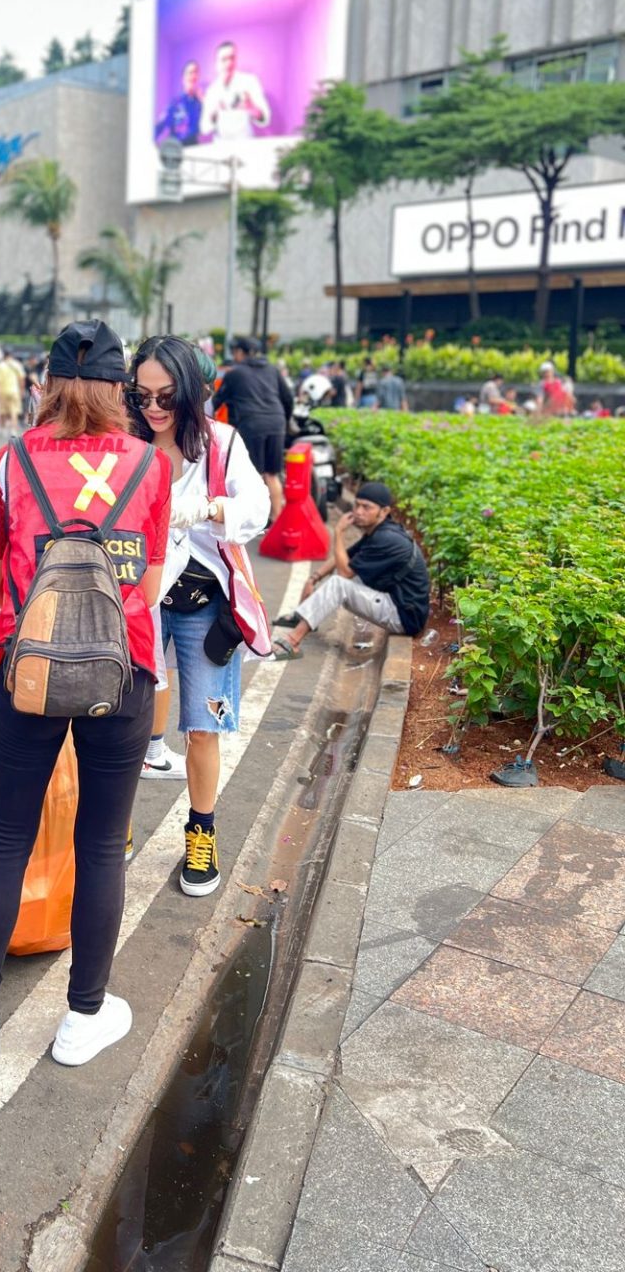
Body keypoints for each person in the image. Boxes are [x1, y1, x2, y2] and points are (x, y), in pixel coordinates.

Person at [0, 319, 172, 1069]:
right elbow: (150, 588)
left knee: (7, 836)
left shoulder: (10, 462)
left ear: (46, 383)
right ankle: (84, 1017)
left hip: (27, 668)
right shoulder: (151, 465)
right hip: (123, 669)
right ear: (119, 389)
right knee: (101, 845)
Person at [128, 336, 270, 895]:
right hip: (136, 598)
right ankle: (115, 827)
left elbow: (257, 507)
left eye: (166, 396)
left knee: (203, 727)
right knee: (124, 720)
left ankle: (202, 832)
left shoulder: (221, 444)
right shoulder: (125, 443)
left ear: (191, 391)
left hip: (203, 603)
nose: (153, 408)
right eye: (141, 396)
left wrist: (210, 508)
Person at [272, 483, 429, 658]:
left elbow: (344, 573)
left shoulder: (386, 538)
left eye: (366, 507)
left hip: (404, 617)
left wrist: (339, 532)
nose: (359, 512)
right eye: (357, 505)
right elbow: (346, 556)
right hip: (395, 602)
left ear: (384, 511)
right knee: (341, 574)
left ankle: (292, 641)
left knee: (339, 584)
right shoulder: (379, 530)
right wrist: (314, 578)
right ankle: (305, 616)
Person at [215, 336, 294, 520]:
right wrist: (285, 420)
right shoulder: (272, 370)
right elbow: (288, 398)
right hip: (276, 422)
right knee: (272, 474)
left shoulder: (235, 374)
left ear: (240, 352)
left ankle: (255, 521)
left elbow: (216, 401)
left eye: (234, 352)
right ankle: (277, 519)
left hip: (251, 424)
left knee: (253, 475)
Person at [199, 41, 270, 146]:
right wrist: (214, 113)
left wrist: (251, 107)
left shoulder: (250, 81)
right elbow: (204, 128)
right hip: (221, 145)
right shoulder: (211, 91)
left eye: (232, 58)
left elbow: (265, 118)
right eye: (223, 59)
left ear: (236, 59)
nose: (229, 63)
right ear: (216, 63)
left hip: (245, 143)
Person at [154, 60, 203, 146]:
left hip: (194, 148)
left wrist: (203, 100)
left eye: (196, 72)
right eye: (190, 72)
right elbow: (159, 126)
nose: (193, 76)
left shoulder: (201, 103)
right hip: (177, 149)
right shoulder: (175, 103)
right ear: (183, 79)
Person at [0, 349, 25, 434]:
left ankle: (3, 428)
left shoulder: (0, 366)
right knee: (14, 410)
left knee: (3, 410)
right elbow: (21, 379)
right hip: (15, 391)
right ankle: (13, 430)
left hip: (3, 391)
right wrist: (22, 390)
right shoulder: (17, 365)